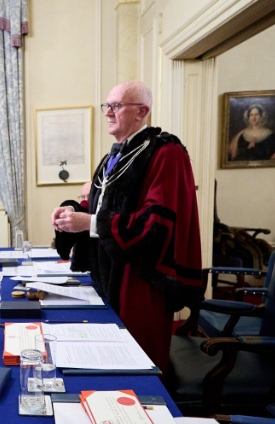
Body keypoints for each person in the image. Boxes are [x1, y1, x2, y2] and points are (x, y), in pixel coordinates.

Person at [50, 81, 202, 369]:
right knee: (105, 361)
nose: (108, 112)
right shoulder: (117, 154)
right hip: (106, 272)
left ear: (141, 111)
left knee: (136, 366)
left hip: (138, 281)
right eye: (106, 106)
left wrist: (90, 222)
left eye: (116, 106)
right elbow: (102, 206)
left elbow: (155, 225)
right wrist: (72, 212)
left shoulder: (165, 153)